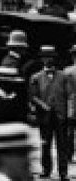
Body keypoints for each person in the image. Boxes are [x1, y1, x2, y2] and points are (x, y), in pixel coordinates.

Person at [29, 46, 68, 181]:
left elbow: (69, 95)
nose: (49, 60)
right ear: (42, 59)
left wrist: (69, 114)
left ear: (55, 59)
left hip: (60, 116)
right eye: (46, 57)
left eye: (51, 57)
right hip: (44, 116)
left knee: (62, 145)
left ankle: (63, 172)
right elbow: (32, 96)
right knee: (45, 144)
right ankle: (46, 170)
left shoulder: (63, 76)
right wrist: (43, 105)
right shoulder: (36, 77)